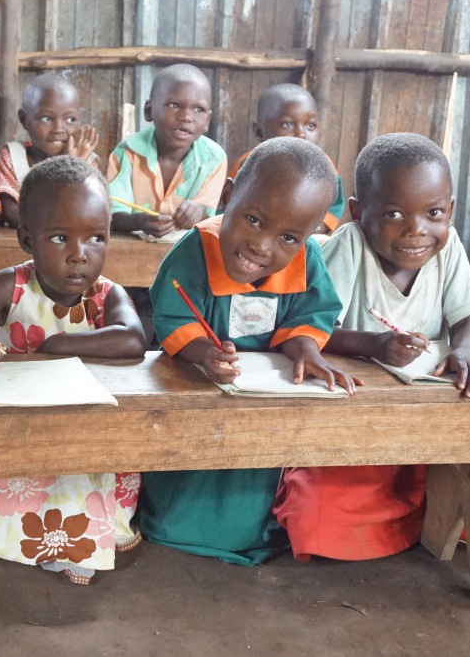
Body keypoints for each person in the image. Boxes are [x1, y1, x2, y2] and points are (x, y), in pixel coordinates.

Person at [272, 133, 470, 560]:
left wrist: (467, 351)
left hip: (438, 418)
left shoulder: (448, 248)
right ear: (358, 213)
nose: (416, 229)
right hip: (364, 424)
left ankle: (432, 512)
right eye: (394, 213)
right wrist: (373, 345)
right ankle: (425, 512)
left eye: (434, 212)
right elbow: (311, 329)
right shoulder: (348, 247)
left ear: (450, 211)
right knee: (319, 511)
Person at [0, 156, 147, 584]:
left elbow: (134, 339)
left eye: (96, 238)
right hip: (12, 433)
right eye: (60, 237)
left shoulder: (106, 294)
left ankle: (70, 539)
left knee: (79, 481)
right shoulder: (11, 284)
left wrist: (58, 345)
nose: (80, 255)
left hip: (82, 439)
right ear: (27, 238)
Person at [140, 137, 360, 566]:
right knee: (194, 468)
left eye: (288, 237)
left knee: (256, 466)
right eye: (254, 219)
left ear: (310, 234)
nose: (263, 246)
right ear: (228, 196)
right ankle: (175, 526)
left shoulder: (306, 258)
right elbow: (171, 317)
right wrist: (203, 353)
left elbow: (313, 313)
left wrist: (305, 350)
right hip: (198, 388)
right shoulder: (194, 251)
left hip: (266, 398)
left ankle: (253, 529)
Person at [106, 64, 227, 239]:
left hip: (186, 255)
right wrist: (138, 222)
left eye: (198, 109)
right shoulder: (128, 152)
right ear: (149, 111)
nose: (186, 117)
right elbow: (111, 216)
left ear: (207, 120)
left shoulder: (214, 159)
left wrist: (198, 215)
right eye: (174, 105)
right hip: (132, 253)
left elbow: (210, 223)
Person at [226, 84, 345, 234]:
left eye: (310, 125)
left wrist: (320, 225)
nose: (301, 134)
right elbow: (229, 203)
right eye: (287, 124)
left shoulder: (323, 166)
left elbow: (335, 204)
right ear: (259, 131)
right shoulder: (249, 163)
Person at [0, 73, 100, 227]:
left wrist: (74, 166)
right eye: (46, 118)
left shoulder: (88, 162)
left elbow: (85, 214)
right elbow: (12, 213)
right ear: (24, 119)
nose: (58, 129)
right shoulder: (13, 156)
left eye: (70, 119)